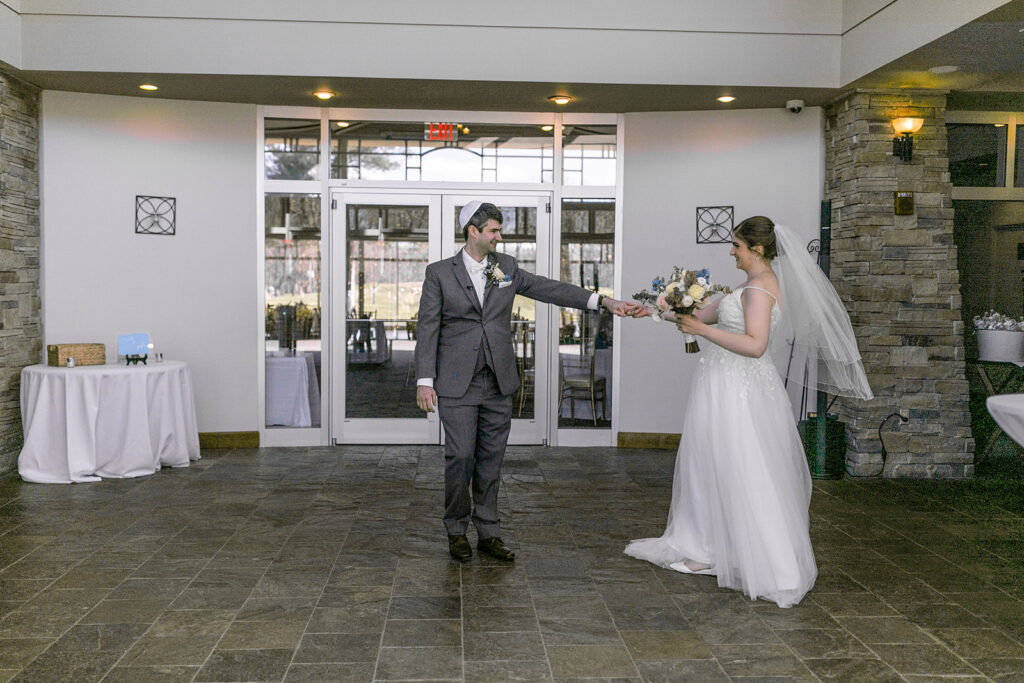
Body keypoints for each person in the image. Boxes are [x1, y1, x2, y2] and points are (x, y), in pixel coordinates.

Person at [624, 216, 873, 608]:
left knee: (742, 466)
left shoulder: (761, 288)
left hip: (739, 391)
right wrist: (655, 311)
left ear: (756, 249)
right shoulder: (745, 287)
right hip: (721, 385)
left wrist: (701, 331)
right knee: (710, 464)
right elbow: (704, 316)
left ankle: (751, 558)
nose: (731, 252)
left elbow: (755, 345)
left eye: (737, 245)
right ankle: (707, 548)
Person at [416, 201, 639, 562]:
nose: (499, 237)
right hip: (456, 383)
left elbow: (548, 289)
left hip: (499, 381)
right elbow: (427, 327)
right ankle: (456, 530)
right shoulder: (439, 273)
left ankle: (488, 531)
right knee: (460, 456)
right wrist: (425, 380)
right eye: (493, 231)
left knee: (491, 459)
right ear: (473, 232)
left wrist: (603, 301)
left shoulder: (506, 267)